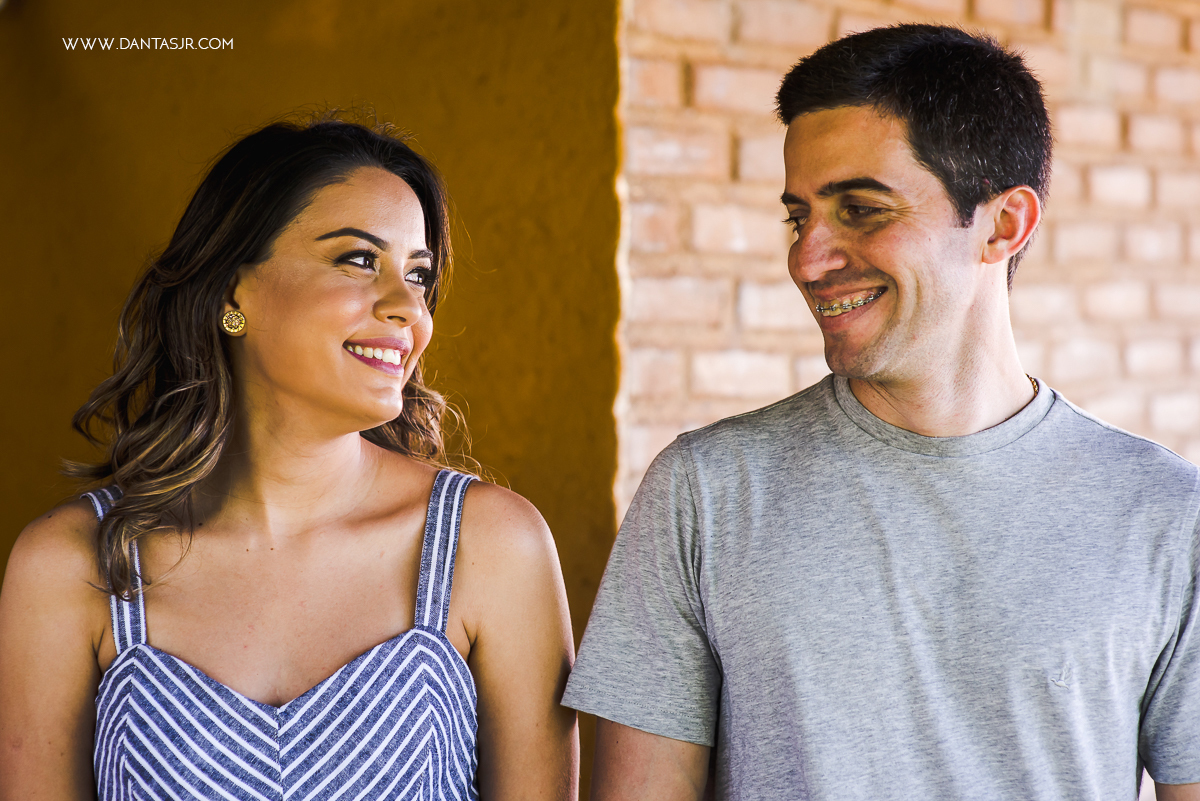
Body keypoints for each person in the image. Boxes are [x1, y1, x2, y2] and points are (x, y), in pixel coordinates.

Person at [564, 24, 1200, 801]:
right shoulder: (704, 493)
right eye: (799, 216)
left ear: (1004, 225)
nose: (807, 258)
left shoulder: (1165, 515)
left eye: (861, 209)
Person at [0, 116, 577, 799]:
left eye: (418, 276)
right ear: (231, 292)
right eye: (359, 259)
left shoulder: (494, 546)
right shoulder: (70, 564)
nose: (407, 309)